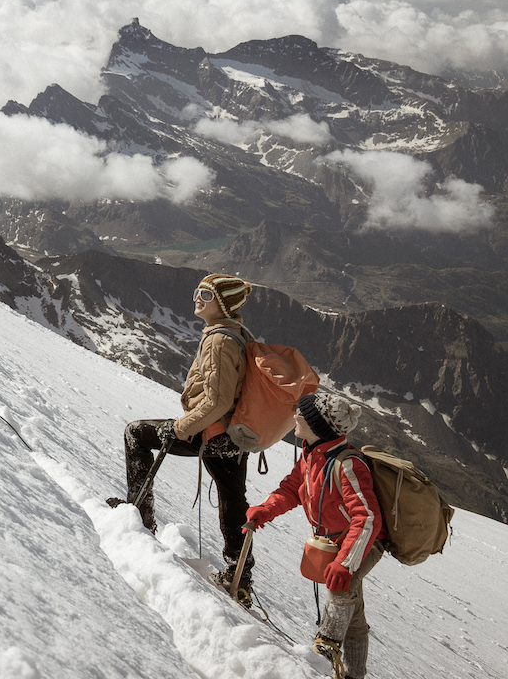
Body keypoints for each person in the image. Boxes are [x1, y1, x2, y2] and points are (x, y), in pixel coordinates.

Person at [106, 273, 256, 604]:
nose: (197, 297)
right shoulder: (238, 335)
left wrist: (182, 426)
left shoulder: (218, 341)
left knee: (137, 433)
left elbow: (216, 400)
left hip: (212, 432)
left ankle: (140, 516)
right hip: (235, 437)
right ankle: (239, 576)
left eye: (206, 293)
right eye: (198, 290)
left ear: (223, 303)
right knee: (233, 501)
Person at [246, 394, 386, 679]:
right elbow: (291, 488)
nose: (296, 415)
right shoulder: (312, 455)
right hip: (336, 540)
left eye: (303, 413)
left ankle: (327, 645)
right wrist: (264, 510)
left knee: (341, 587)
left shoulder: (348, 465)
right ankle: (354, 674)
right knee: (353, 613)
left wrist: (345, 563)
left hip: (362, 541)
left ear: (317, 425)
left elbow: (367, 518)